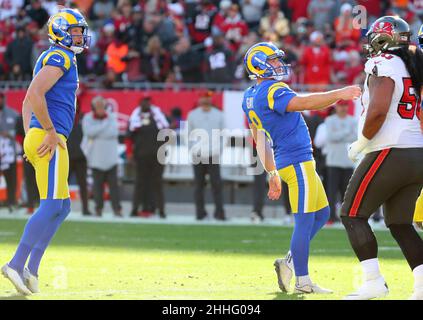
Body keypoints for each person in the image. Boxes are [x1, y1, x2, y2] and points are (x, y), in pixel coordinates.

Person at [242, 41, 360, 294]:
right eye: (272, 60)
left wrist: (271, 172)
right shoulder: (272, 89)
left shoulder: (250, 95)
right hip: (296, 162)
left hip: (292, 162)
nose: (278, 64)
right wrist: (341, 92)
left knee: (321, 214)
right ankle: (302, 281)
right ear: (259, 66)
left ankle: (288, 263)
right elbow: (305, 104)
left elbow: (259, 138)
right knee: (305, 220)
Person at [1, 8, 90, 295]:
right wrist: (48, 131)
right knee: (52, 205)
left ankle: (31, 268)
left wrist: (32, 136)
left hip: (41, 135)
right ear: (61, 31)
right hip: (50, 136)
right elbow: (34, 95)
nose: (80, 35)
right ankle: (16, 263)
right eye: (75, 30)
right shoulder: (60, 56)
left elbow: (28, 99)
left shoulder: (59, 56)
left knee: (62, 207)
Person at [341, 16, 423, 300]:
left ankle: (373, 281)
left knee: (351, 214)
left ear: (380, 39)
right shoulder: (412, 63)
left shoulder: (383, 62)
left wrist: (362, 142)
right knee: (400, 223)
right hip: (416, 152)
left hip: (391, 149)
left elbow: (378, 110)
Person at [187, 91, 226, 221]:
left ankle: (219, 213)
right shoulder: (192, 115)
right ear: (199, 99)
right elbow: (187, 134)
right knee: (199, 185)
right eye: (203, 98)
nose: (205, 100)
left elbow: (224, 134)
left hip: (213, 154)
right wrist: (193, 149)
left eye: (207, 98)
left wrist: (219, 150)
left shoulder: (219, 115)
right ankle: (200, 213)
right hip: (198, 154)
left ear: (211, 99)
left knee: (216, 185)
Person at [127, 95, 169, 219]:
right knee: (140, 183)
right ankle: (135, 209)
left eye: (148, 101)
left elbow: (166, 133)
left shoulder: (159, 116)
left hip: (158, 155)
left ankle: (161, 210)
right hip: (140, 156)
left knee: (157, 184)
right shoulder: (135, 118)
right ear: (140, 103)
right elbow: (129, 137)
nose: (146, 103)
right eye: (144, 101)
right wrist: (129, 153)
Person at [82, 96, 122, 218]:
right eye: (97, 106)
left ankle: (117, 209)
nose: (100, 109)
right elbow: (89, 132)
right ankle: (98, 209)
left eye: (102, 106)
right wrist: (104, 126)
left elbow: (114, 132)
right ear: (93, 107)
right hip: (96, 159)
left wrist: (97, 131)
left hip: (111, 159)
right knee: (97, 187)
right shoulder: (88, 118)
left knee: (114, 187)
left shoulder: (112, 117)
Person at [323, 101, 357, 223]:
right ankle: (331, 217)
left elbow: (355, 138)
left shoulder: (353, 120)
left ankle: (345, 217)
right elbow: (331, 137)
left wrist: (339, 135)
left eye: (345, 105)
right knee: (331, 192)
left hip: (347, 162)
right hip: (333, 161)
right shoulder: (330, 120)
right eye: (341, 105)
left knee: (346, 193)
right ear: (336, 107)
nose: (343, 108)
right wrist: (346, 132)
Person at [67, 104, 92, 216]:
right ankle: (59, 208)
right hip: (67, 157)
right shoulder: (64, 117)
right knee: (62, 185)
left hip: (81, 157)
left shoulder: (85, 119)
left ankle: (85, 209)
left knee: (83, 184)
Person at [0, 92, 19, 211]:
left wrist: (9, 134)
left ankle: (11, 201)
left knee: (11, 178)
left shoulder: (13, 114)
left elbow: (19, 130)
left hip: (9, 152)